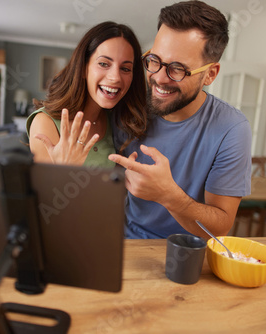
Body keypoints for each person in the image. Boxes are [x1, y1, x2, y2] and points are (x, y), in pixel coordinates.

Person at [108, 1, 252, 239]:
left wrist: (168, 195)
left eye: (177, 68)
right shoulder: (127, 106)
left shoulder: (232, 129)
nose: (159, 78)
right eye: (154, 60)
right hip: (127, 245)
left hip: (190, 254)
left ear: (210, 74)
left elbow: (221, 225)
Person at [27, 21, 147, 167]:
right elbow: (44, 189)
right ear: (83, 68)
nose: (115, 77)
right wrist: (64, 170)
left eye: (126, 68)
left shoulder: (118, 120)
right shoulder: (45, 122)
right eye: (103, 64)